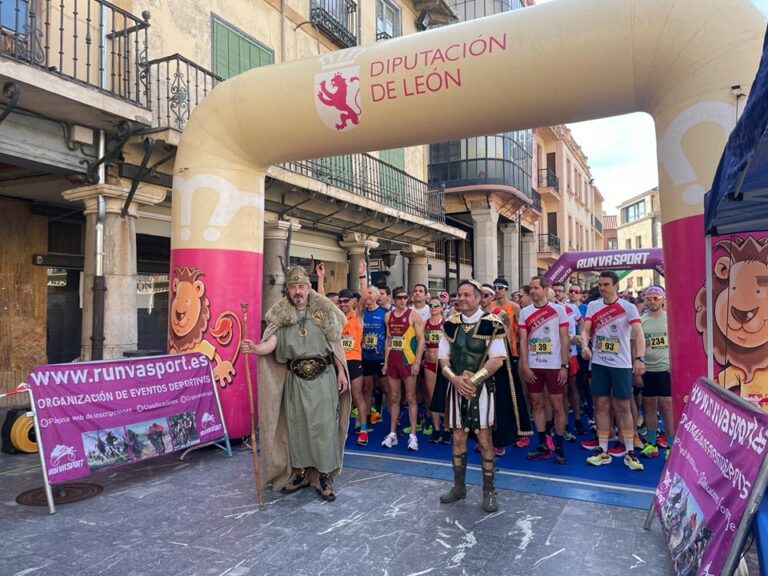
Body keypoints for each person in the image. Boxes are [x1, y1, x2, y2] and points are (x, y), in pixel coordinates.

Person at [242, 265, 351, 502]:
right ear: (288, 291)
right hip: (296, 380)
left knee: (324, 428)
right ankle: (300, 472)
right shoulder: (281, 316)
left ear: (309, 288)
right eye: (293, 287)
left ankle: (324, 477)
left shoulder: (323, 313)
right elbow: (271, 343)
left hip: (323, 378)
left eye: (301, 286)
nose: (297, 291)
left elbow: (336, 346)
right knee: (297, 427)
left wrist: (341, 373)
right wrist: (256, 348)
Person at [438, 280, 509, 513]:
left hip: (482, 391)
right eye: (459, 295)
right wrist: (456, 380)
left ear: (479, 298)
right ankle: (459, 487)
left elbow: (497, 359)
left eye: (467, 295)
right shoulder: (449, 324)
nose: (462, 298)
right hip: (456, 388)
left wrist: (474, 380)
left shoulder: (493, 324)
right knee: (458, 438)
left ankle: (489, 491)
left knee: (484, 439)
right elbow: (443, 359)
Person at [581, 271, 646, 471]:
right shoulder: (593, 306)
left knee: (623, 406)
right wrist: (585, 345)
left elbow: (638, 333)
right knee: (600, 404)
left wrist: (639, 358)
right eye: (600, 284)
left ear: (616, 285)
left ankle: (629, 450)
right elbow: (586, 329)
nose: (602, 288)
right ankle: (603, 450)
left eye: (606, 284)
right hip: (599, 363)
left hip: (622, 364)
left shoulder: (628, 307)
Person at [518, 276, 570, 464]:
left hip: (554, 365)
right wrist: (525, 365)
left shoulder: (559, 310)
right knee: (537, 404)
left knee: (557, 405)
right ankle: (541, 443)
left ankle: (559, 446)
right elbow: (523, 340)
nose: (532, 291)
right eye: (530, 288)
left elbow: (564, 339)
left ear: (545, 289)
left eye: (536, 288)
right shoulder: (525, 312)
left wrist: (564, 365)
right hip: (534, 366)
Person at [317, 261, 369, 445]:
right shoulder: (335, 317)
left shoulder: (358, 316)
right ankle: (337, 430)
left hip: (354, 361)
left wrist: (362, 275)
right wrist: (321, 278)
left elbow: (364, 297)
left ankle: (363, 430)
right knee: (335, 398)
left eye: (345, 301)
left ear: (352, 302)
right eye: (340, 301)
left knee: (357, 396)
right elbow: (322, 300)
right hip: (336, 361)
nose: (342, 304)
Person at [382, 286, 425, 451]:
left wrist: (417, 361)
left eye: (405, 297)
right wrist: (386, 362)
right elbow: (388, 339)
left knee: (411, 398)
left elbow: (421, 340)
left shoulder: (414, 315)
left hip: (408, 361)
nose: (402, 300)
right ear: (393, 299)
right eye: (399, 297)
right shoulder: (388, 316)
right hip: (393, 361)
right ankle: (392, 433)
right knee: (393, 398)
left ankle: (413, 435)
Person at [639, 285, 675, 458]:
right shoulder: (641, 320)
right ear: (645, 299)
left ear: (663, 299)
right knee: (649, 407)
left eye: (656, 298)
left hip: (665, 368)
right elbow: (635, 345)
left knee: (667, 406)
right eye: (650, 298)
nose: (652, 301)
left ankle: (671, 445)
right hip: (647, 369)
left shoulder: (670, 319)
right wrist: (636, 368)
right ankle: (651, 443)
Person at [424, 296, 446, 443]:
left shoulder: (446, 323)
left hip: (443, 364)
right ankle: (436, 429)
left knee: (444, 396)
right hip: (429, 363)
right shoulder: (425, 324)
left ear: (442, 307)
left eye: (436, 305)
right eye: (431, 305)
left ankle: (447, 428)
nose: (433, 307)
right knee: (432, 397)